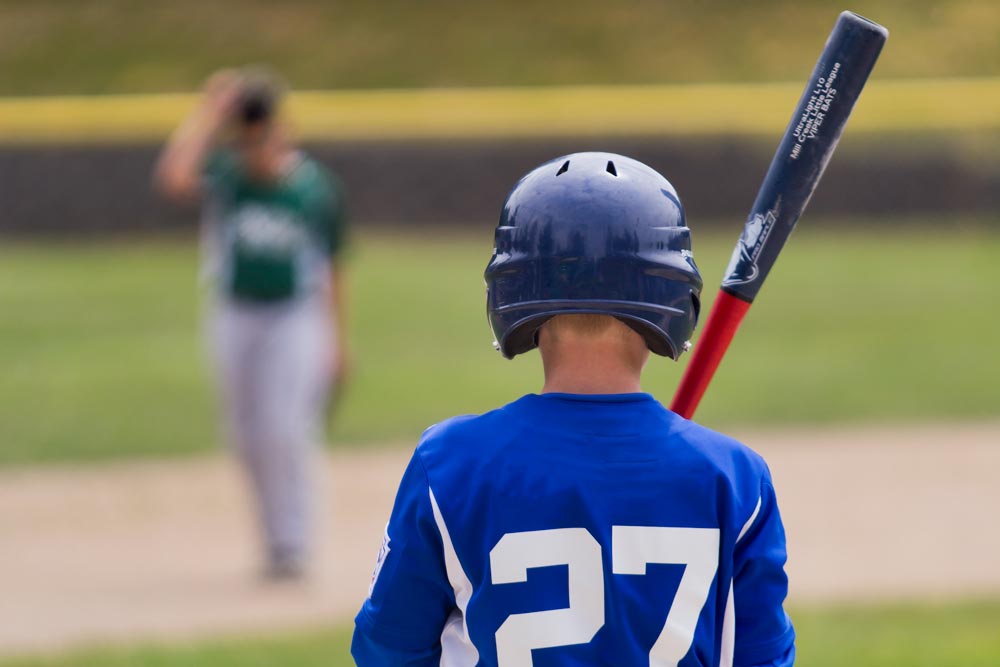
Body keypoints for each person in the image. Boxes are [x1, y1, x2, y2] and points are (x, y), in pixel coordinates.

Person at [352, 153, 794, 665]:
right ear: (674, 295)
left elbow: (387, 649)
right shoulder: (732, 476)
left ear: (511, 291)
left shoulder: (450, 462)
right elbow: (762, 657)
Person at [154, 68, 350, 579]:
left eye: (261, 136)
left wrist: (337, 342)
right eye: (244, 138)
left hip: (294, 316)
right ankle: (273, 542)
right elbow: (173, 176)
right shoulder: (228, 174)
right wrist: (209, 112)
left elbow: (333, 267)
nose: (253, 148)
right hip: (235, 312)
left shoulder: (313, 188)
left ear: (282, 133)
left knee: (285, 427)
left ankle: (294, 543)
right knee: (245, 432)